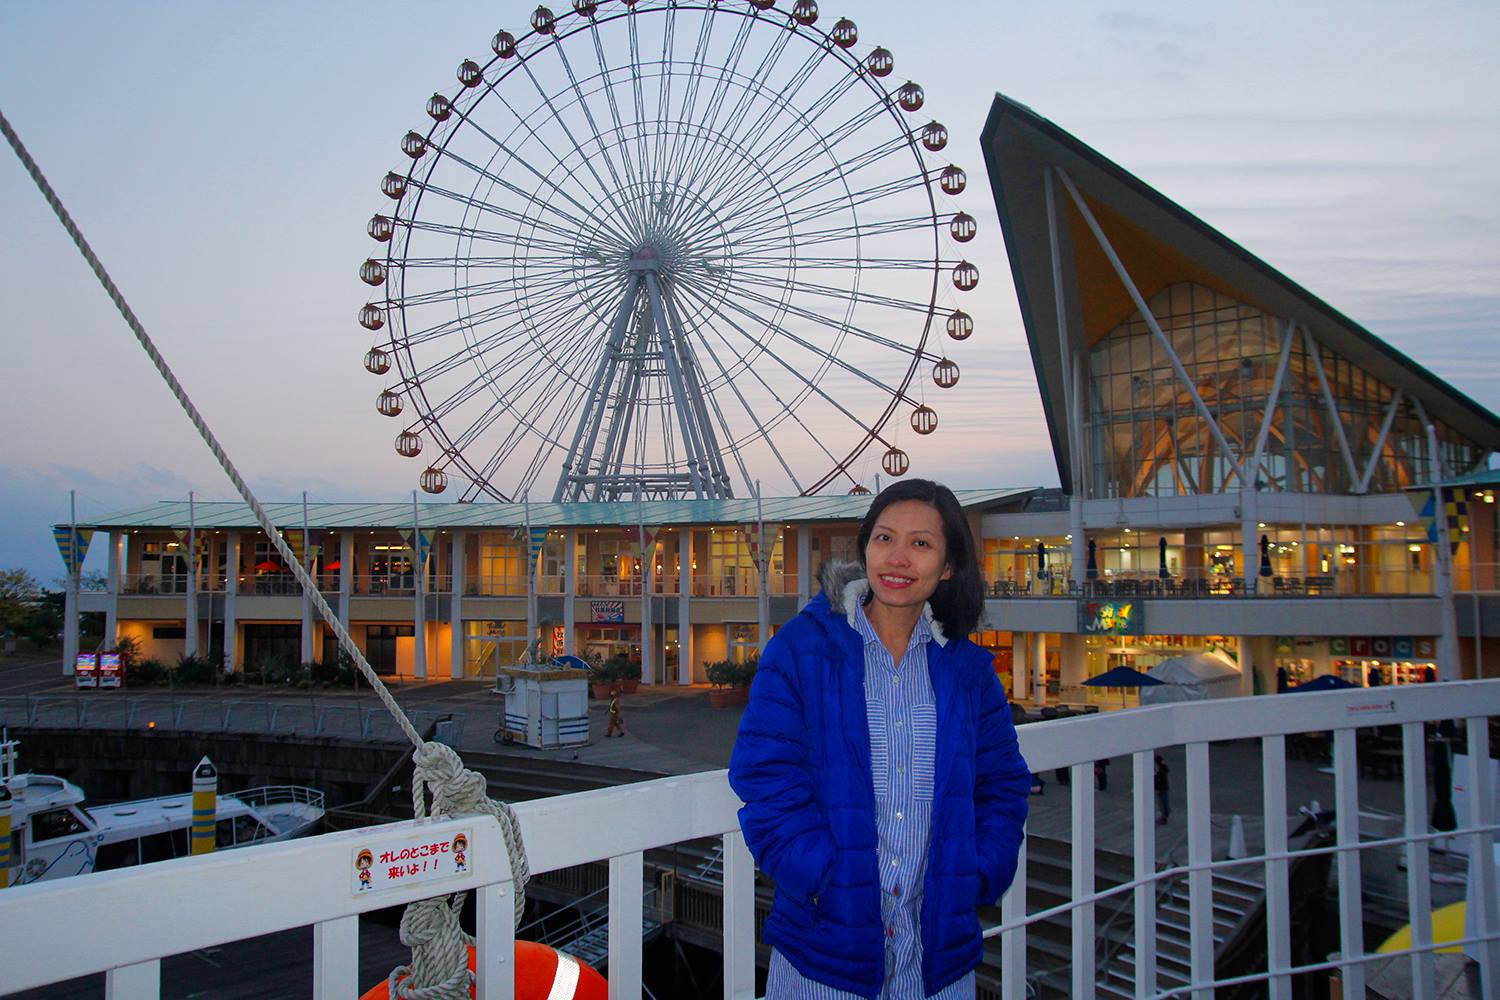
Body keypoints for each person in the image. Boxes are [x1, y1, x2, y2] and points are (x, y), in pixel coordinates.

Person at [729, 479, 1032, 999]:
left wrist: (978, 872)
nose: (898, 558)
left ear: (949, 565)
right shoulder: (802, 650)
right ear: (865, 547)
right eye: (884, 538)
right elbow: (765, 775)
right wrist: (822, 875)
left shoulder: (969, 671)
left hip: (938, 960)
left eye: (921, 544)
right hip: (823, 954)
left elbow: (1002, 783)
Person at [1155, 755, 1170, 824]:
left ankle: (1164, 817)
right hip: (1164, 788)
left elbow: (1158, 779)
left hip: (1161, 789)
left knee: (1162, 803)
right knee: (1164, 803)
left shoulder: (1160, 771)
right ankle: (1164, 816)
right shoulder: (1163, 768)